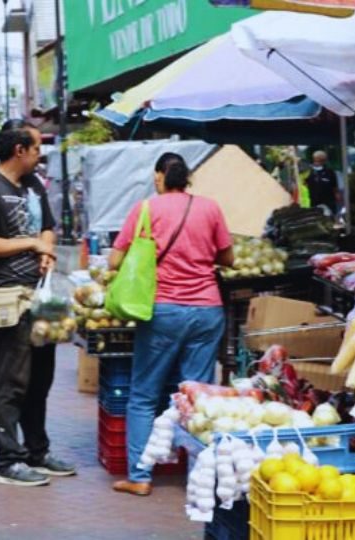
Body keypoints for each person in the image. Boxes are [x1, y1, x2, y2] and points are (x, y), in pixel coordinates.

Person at [109, 153, 234, 497]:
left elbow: (115, 260)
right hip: (207, 310)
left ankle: (139, 475)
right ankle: (199, 476)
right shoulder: (210, 207)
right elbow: (228, 257)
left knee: (143, 396)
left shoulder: (146, 209)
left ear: (161, 176)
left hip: (163, 311)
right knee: (198, 398)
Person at [0, 119, 75, 487]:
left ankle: (36, 451)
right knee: (10, 380)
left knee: (39, 379)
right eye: (35, 148)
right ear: (19, 150)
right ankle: (7, 461)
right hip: (5, 295)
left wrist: (45, 247)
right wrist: (31, 244)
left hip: (39, 294)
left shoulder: (32, 184)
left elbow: (47, 226)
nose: (39, 154)